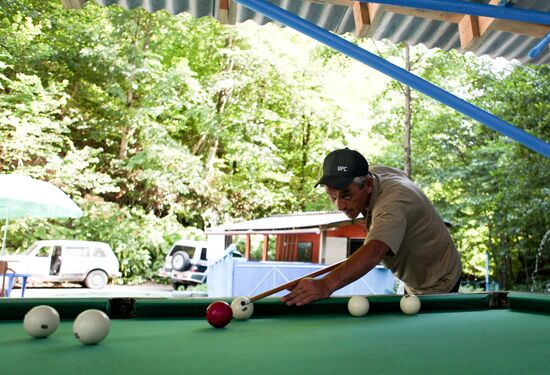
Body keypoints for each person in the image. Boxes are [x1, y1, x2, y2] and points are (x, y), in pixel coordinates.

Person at [281, 148, 462, 307]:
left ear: (368, 185)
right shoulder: (373, 174)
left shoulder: (392, 205)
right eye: (332, 196)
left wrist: (325, 285)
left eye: (346, 195)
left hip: (438, 280)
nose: (339, 206)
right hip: (413, 279)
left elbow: (374, 252)